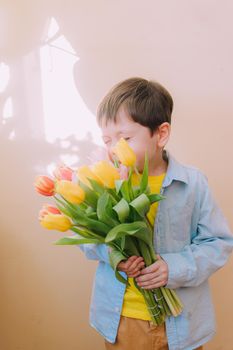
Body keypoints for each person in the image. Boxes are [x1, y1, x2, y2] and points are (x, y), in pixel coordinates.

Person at [79, 77, 233, 350]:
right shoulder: (103, 184)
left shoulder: (193, 183)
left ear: (161, 134)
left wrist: (172, 268)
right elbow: (88, 239)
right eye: (107, 140)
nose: (114, 149)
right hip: (123, 319)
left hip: (181, 323)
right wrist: (114, 256)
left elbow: (219, 242)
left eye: (125, 138)